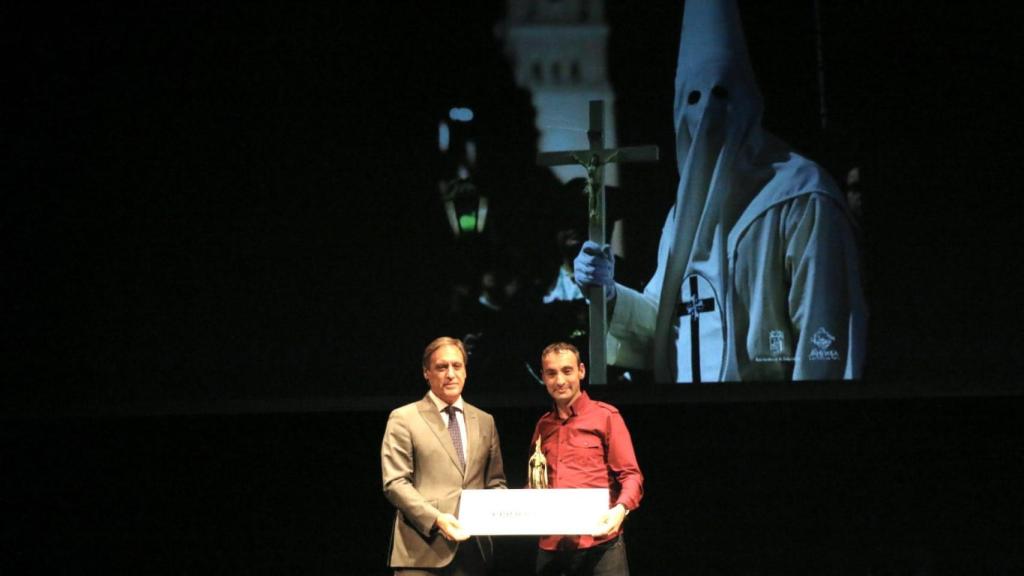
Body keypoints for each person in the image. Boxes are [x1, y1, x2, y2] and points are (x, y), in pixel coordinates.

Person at [574, 0, 867, 383]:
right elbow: (663, 328)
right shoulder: (684, 214)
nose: (708, 111)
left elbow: (824, 339)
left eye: (723, 93)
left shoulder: (800, 197)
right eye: (693, 98)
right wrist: (608, 293)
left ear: (748, 99)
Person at [381, 336, 507, 575]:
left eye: (457, 366)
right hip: (421, 553)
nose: (450, 374)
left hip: (474, 553)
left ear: (466, 371)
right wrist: (437, 519)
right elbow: (395, 483)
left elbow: (496, 482)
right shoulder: (404, 418)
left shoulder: (485, 421)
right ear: (426, 373)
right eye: (441, 367)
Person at [530, 342, 644, 576]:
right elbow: (536, 482)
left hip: (599, 545)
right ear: (542, 377)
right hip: (552, 546)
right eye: (551, 373)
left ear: (581, 371)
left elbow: (631, 475)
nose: (560, 380)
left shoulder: (605, 416)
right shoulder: (543, 425)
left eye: (567, 371)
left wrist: (620, 510)